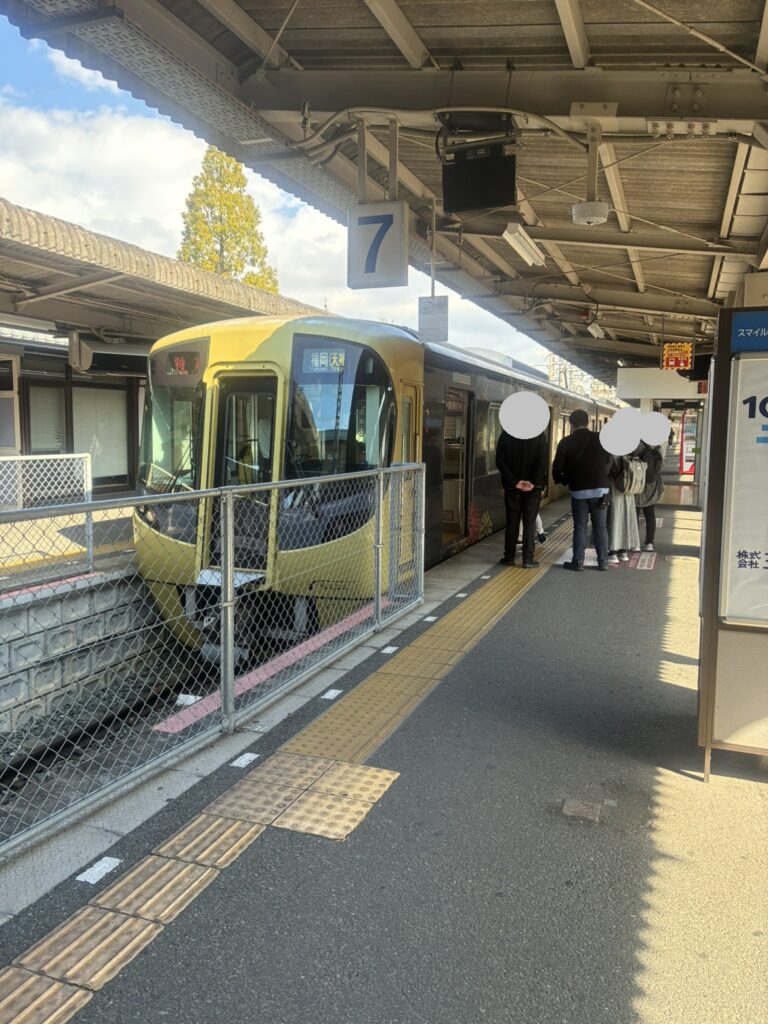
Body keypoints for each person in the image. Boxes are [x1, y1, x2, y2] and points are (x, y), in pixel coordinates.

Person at [552, 409, 613, 571]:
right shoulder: (601, 438)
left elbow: (557, 467)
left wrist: (565, 481)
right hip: (600, 489)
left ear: (571, 424)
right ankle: (603, 562)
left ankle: (578, 562)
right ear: (588, 422)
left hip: (578, 491)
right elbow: (609, 462)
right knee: (600, 527)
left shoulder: (566, 442)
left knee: (580, 526)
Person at [495, 427, 548, 568]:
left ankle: (509, 557)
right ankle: (528, 559)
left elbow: (500, 462)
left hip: (512, 488)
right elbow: (542, 462)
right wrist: (533, 482)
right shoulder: (539, 436)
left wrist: (515, 482)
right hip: (534, 488)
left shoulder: (506, 435)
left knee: (512, 522)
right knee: (529, 522)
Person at [606, 455, 641, 563]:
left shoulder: (610, 453)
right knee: (627, 519)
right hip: (628, 490)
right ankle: (623, 551)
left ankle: (612, 552)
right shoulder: (630, 452)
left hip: (615, 490)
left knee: (614, 519)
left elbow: (606, 471)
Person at [634, 441, 664, 551]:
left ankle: (635, 543)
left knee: (635, 513)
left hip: (638, 482)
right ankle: (649, 543)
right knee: (650, 514)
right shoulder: (659, 446)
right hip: (653, 484)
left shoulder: (637, 444)